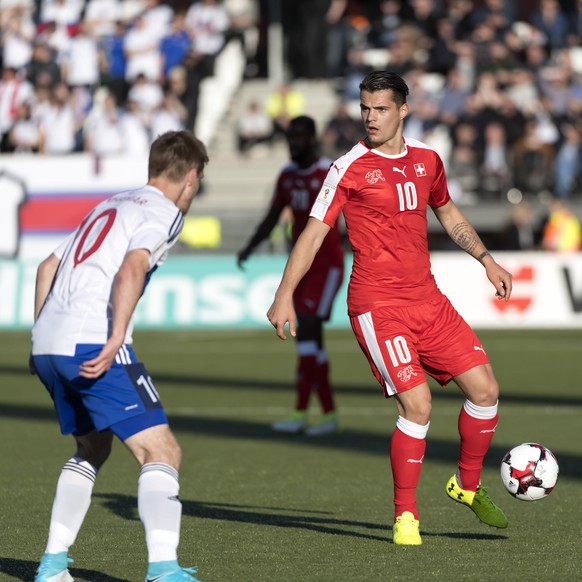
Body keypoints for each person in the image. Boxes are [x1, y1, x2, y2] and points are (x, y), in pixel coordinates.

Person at [266, 71, 513, 545]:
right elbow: (314, 232)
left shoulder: (427, 160)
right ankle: (405, 515)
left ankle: (465, 484)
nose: (370, 117)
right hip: (378, 307)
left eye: (380, 108)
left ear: (403, 109)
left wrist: (486, 259)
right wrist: (284, 295)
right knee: (417, 406)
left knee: (485, 390)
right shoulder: (348, 168)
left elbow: (448, 211)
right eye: (365, 108)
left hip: (429, 300)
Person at [31, 130, 209, 581]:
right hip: (92, 340)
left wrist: (39, 339)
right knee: (161, 450)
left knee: (92, 446)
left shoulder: (111, 203)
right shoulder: (166, 212)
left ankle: (52, 567)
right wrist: (114, 340)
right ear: (190, 177)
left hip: (50, 341)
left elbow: (46, 266)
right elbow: (133, 265)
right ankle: (164, 570)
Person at [238, 115, 344, 436]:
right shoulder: (286, 176)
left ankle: (306, 411)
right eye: (290, 138)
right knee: (309, 342)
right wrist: (250, 246)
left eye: (299, 138)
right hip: (300, 269)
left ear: (312, 139)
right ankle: (324, 413)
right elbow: (272, 217)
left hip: (327, 266)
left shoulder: (329, 172)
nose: (293, 144)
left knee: (309, 330)